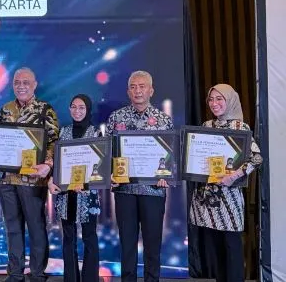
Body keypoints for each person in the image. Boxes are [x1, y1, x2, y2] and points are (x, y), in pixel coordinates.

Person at [0, 67, 59, 282]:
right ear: (12, 85)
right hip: (8, 179)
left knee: (36, 228)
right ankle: (15, 273)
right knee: (12, 229)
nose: (21, 86)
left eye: (26, 82)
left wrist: (48, 165)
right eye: (17, 82)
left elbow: (54, 141)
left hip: (34, 180)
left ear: (34, 85)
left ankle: (37, 273)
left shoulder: (45, 110)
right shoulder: (5, 110)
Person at [189, 84, 263, 282]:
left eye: (219, 99)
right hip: (206, 200)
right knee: (215, 252)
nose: (214, 103)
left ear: (230, 100)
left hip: (229, 200)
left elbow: (256, 158)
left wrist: (234, 176)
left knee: (232, 250)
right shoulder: (206, 126)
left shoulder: (240, 127)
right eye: (211, 99)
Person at [106, 70, 173, 282]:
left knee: (153, 245)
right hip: (125, 189)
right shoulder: (116, 118)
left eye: (142, 86)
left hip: (153, 190)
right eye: (133, 87)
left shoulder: (163, 120)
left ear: (151, 90)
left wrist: (167, 174)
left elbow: (171, 156)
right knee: (127, 245)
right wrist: (109, 173)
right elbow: (106, 152)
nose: (137, 91)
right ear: (128, 91)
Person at [47, 94, 101, 282]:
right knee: (68, 239)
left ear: (88, 110)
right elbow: (57, 162)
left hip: (87, 194)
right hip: (66, 194)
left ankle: (90, 279)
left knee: (89, 238)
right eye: (74, 107)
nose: (77, 111)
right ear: (69, 109)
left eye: (81, 107)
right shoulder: (63, 132)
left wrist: (86, 183)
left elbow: (100, 165)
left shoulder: (96, 133)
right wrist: (52, 180)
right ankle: (70, 278)